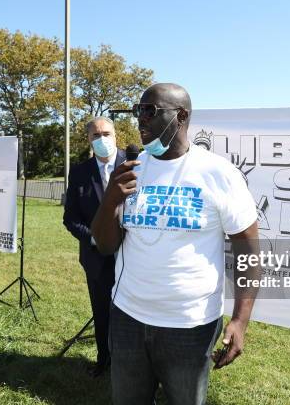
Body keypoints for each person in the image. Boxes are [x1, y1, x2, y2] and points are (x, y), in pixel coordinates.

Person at [91, 83, 261, 404]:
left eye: (149, 111)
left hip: (189, 326)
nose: (140, 120)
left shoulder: (218, 172)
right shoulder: (133, 168)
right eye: (137, 111)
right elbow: (105, 244)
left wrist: (240, 320)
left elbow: (248, 249)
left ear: (181, 116)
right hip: (128, 318)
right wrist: (112, 197)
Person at [63, 116, 126, 377]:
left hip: (134, 256)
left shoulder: (139, 164)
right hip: (96, 257)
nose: (102, 139)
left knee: (131, 314)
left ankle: (134, 364)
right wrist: (94, 237)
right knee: (102, 312)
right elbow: (70, 219)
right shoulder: (79, 172)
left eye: (106, 133)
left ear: (116, 135)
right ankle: (105, 360)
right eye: (96, 135)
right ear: (89, 140)